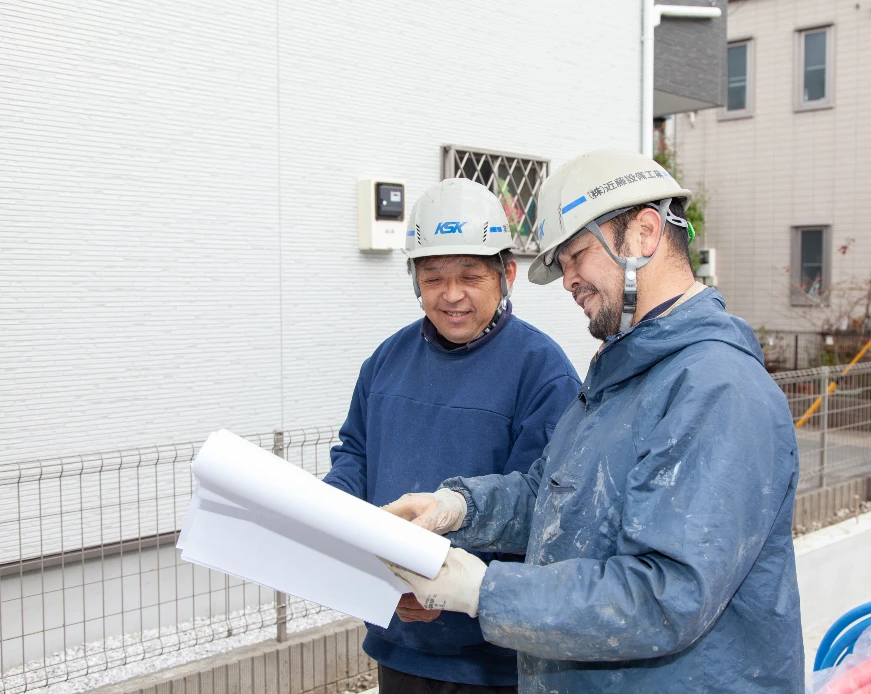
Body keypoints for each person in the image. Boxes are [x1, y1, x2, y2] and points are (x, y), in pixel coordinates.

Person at [383, 150, 806, 693]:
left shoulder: (717, 390)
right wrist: (457, 507)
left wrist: (484, 591)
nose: (568, 281)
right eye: (562, 264)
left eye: (577, 256)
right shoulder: (627, 371)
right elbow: (558, 498)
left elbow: (664, 597)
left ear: (644, 233)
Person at [324, 179, 581, 694]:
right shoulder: (387, 361)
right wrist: (324, 514)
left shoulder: (542, 372)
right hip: (396, 637)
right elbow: (355, 454)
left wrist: (443, 584)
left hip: (493, 657)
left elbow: (542, 509)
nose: (451, 295)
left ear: (506, 275)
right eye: (434, 277)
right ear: (415, 281)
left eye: (470, 275)